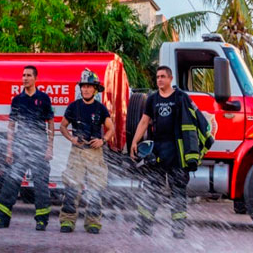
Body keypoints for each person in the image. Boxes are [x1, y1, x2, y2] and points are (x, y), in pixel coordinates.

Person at [129, 65, 214, 238]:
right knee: (151, 190)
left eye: (163, 76)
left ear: (170, 79)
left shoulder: (181, 97)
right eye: (157, 77)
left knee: (178, 192)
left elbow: (196, 120)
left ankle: (178, 230)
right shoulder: (152, 99)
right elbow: (145, 121)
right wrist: (134, 142)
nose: (159, 79)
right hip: (157, 153)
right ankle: (144, 227)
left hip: (177, 154)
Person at [0, 65, 54, 231]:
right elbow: (12, 126)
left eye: (28, 75)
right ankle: (2, 219)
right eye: (23, 75)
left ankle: (41, 221)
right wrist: (9, 149)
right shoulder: (17, 100)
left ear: (35, 78)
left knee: (41, 186)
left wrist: (50, 148)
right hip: (20, 147)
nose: (25, 78)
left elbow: (50, 124)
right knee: (10, 184)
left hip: (39, 147)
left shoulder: (43, 98)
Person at [58, 69, 115, 234]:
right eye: (83, 86)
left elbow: (111, 128)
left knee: (95, 190)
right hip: (77, 152)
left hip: (95, 153)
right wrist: (71, 139)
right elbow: (63, 126)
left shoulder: (101, 109)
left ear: (95, 89)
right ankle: (67, 222)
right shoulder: (73, 107)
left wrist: (103, 140)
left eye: (89, 86)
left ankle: (93, 223)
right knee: (71, 189)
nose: (86, 89)